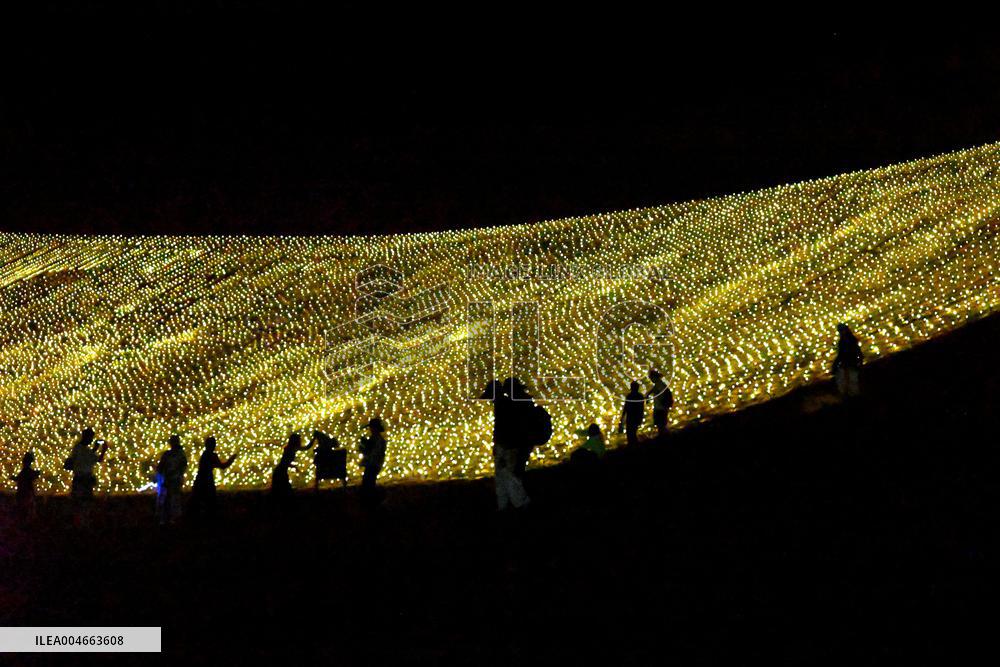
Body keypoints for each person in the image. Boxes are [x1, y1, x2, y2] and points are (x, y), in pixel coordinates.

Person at [482, 380, 530, 511]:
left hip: (508, 448)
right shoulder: (505, 404)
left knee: (509, 477)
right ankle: (506, 505)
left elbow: (505, 430)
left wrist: (503, 451)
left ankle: (520, 504)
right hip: (507, 447)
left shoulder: (503, 406)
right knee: (505, 477)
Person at [65, 428, 108, 527]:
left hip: (79, 479)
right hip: (85, 480)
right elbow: (96, 459)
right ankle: (83, 523)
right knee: (84, 504)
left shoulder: (77, 448)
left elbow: (85, 458)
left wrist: (95, 449)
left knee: (79, 504)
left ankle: (79, 523)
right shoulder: (84, 450)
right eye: (91, 438)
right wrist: (103, 450)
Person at [190, 436, 236, 517]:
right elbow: (222, 466)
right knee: (210, 501)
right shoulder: (211, 455)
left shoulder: (205, 454)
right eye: (214, 444)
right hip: (207, 480)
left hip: (200, 479)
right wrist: (232, 459)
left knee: (198, 500)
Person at [155, 435, 188, 525]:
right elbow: (161, 467)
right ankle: (169, 517)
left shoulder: (178, 455)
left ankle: (172, 517)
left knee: (173, 498)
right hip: (170, 479)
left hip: (174, 479)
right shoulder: (170, 455)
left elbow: (182, 466)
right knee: (169, 498)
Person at [271, 432, 308, 504]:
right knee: (284, 492)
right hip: (280, 472)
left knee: (282, 492)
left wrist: (294, 466)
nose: (300, 441)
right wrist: (294, 467)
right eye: (299, 440)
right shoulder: (289, 449)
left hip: (281, 471)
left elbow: (305, 448)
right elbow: (285, 462)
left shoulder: (291, 448)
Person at [358, 418, 387, 507]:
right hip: (373, 464)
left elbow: (374, 453)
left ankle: (372, 502)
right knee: (368, 483)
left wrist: (365, 449)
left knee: (368, 483)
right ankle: (372, 501)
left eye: (372, 427)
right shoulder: (376, 439)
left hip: (373, 464)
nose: (370, 429)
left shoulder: (378, 440)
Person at [832, 323, 863, 397]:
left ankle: (853, 396)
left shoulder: (848, 341)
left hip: (850, 363)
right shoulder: (846, 340)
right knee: (849, 381)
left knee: (851, 381)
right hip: (848, 364)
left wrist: (860, 361)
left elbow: (857, 352)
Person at [10, 451, 40, 520]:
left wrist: (14, 478)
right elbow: (31, 476)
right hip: (26, 492)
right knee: (26, 507)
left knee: (25, 507)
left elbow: (20, 478)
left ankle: (25, 518)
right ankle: (27, 519)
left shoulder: (25, 471)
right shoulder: (27, 471)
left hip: (24, 492)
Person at [646, 369, 673, 438]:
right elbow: (651, 391)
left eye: (652, 378)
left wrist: (648, 395)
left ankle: (665, 438)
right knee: (661, 425)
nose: (651, 380)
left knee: (661, 425)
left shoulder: (660, 385)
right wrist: (648, 395)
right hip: (660, 408)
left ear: (655, 377)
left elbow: (659, 393)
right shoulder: (658, 384)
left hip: (661, 408)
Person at [617, 381, 646, 446]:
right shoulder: (639, 396)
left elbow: (626, 407)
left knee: (630, 434)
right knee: (632, 433)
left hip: (631, 417)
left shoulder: (630, 396)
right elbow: (641, 408)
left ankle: (633, 447)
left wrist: (622, 417)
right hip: (635, 417)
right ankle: (634, 446)